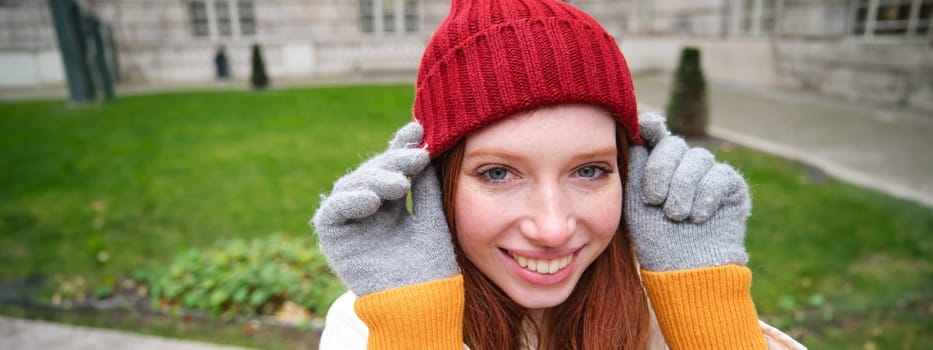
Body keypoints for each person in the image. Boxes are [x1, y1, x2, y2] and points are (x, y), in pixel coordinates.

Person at [312, 0, 806, 349]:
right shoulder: (371, 325)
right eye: (499, 173)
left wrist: (710, 312)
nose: (552, 229)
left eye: (589, 170)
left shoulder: (678, 295)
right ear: (436, 181)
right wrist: (414, 327)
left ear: (633, 175)